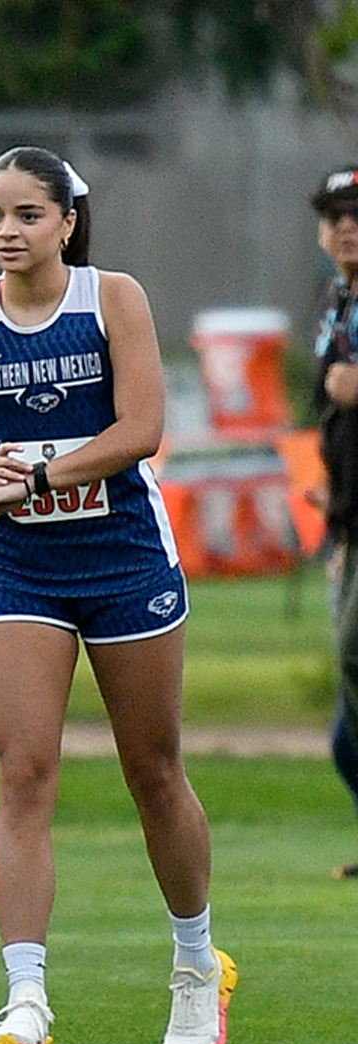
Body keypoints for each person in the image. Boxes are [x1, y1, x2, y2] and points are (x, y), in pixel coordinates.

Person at [0, 146, 233, 1044]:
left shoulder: (112, 299)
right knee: (23, 774)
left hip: (126, 558)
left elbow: (142, 428)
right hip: (24, 569)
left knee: (154, 771)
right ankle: (25, 999)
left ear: (66, 221)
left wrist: (37, 475)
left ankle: (197, 965)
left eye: (26, 214)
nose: (7, 231)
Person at [307, 165, 358, 881]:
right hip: (348, 523)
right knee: (347, 737)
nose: (346, 226)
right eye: (335, 215)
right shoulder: (337, 301)